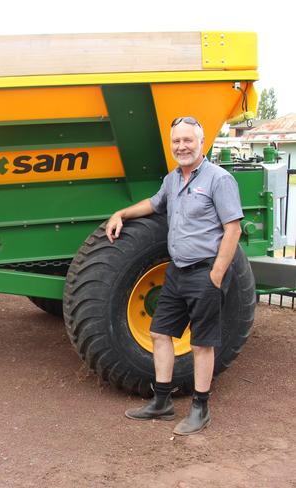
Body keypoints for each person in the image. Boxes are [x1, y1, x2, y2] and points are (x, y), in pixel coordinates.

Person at [105, 116, 243, 436]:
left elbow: (232, 228)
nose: (181, 146)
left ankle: (200, 408)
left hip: (204, 272)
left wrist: (216, 275)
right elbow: (153, 205)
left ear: (201, 142)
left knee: (201, 344)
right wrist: (121, 213)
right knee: (159, 333)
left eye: (187, 140)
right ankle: (162, 401)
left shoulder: (218, 179)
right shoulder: (172, 180)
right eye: (176, 142)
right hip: (177, 272)